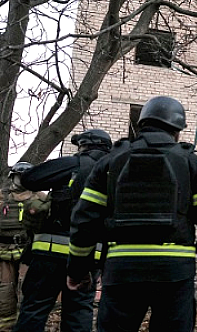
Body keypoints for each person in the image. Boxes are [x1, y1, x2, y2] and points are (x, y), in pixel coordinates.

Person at [67, 96, 197, 332]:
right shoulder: (190, 163)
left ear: (142, 124)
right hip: (174, 271)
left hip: (122, 269)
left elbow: (83, 221)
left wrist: (77, 269)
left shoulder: (109, 162)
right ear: (176, 131)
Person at [14, 130, 112, 332]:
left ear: (83, 146)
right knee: (78, 312)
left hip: (49, 257)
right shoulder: (116, 172)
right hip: (88, 258)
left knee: (35, 309)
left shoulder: (73, 164)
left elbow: (30, 178)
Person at [1, 162, 46, 331]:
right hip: (4, 251)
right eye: (20, 176)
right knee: (5, 293)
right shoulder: (2, 197)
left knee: (31, 291)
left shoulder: (41, 198)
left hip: (30, 252)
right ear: (13, 177)